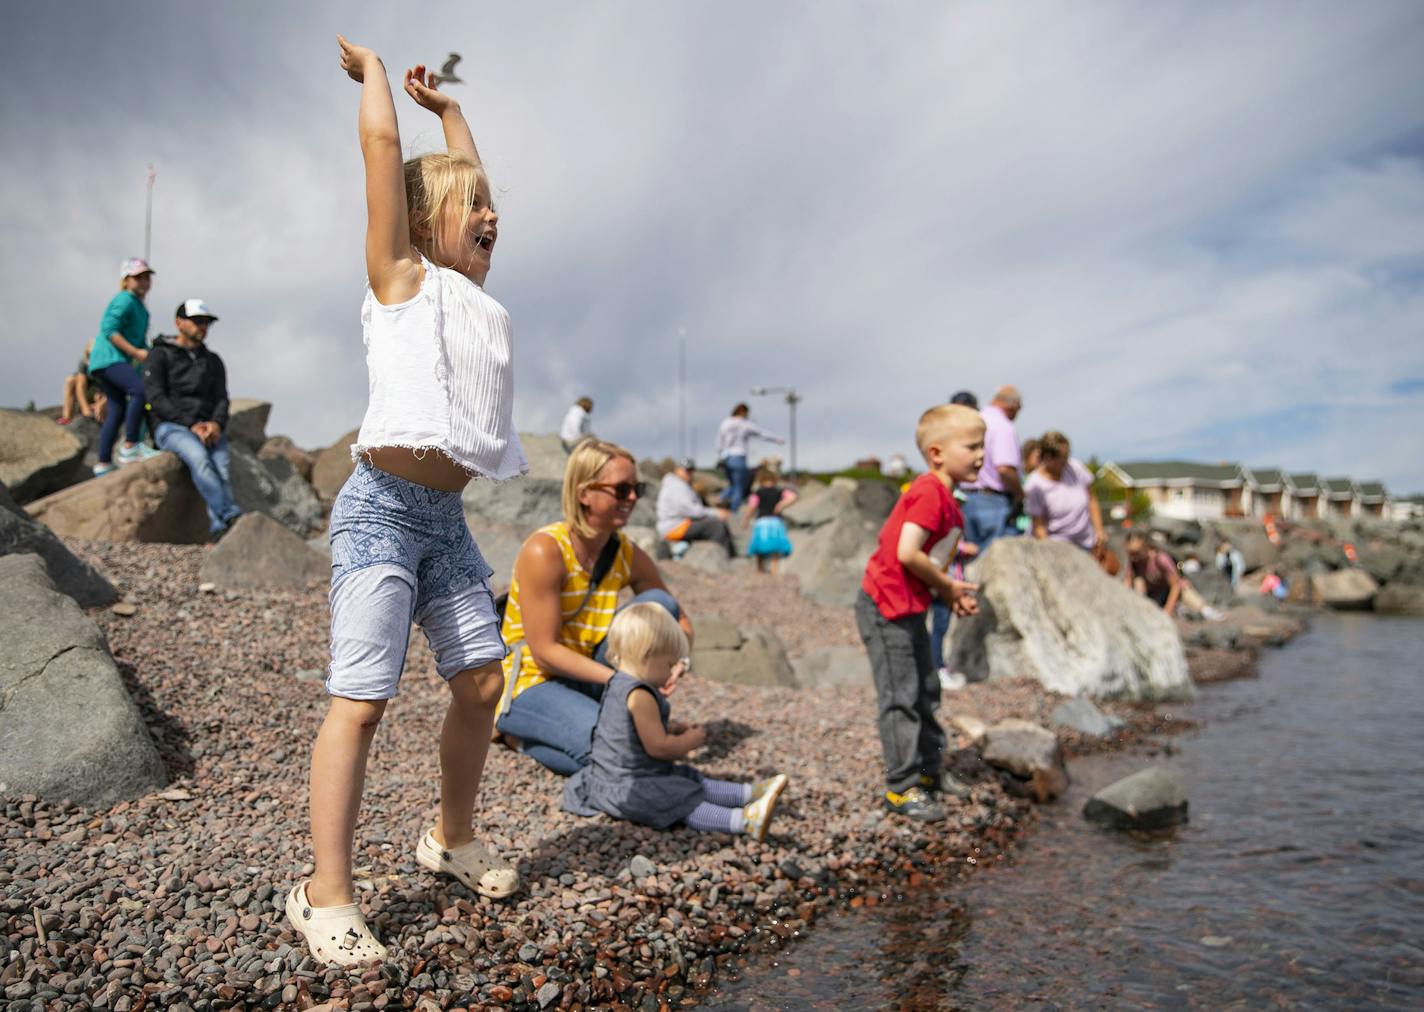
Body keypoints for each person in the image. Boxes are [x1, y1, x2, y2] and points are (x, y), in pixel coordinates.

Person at [289, 41, 527, 968]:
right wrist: (383, 77)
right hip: (382, 511)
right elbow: (381, 155)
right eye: (472, 207)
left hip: (448, 527)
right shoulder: (401, 275)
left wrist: (452, 117)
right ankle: (323, 893)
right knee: (362, 701)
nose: (492, 215)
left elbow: (472, 179)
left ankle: (451, 837)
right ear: (426, 221)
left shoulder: (474, 295)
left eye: (491, 206)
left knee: (479, 683)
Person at [496, 439, 694, 776]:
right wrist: (628, 684)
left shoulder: (624, 552)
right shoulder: (545, 550)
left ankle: (565, 728)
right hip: (530, 680)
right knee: (616, 749)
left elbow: (680, 619)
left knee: (659, 605)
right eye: (621, 489)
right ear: (584, 493)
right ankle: (520, 735)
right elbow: (544, 652)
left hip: (585, 673)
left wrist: (681, 659)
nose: (632, 498)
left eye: (637, 488)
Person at [563, 603, 789, 839]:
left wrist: (672, 728)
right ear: (646, 656)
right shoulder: (639, 695)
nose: (672, 673)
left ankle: (748, 793)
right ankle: (741, 820)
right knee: (679, 797)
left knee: (687, 777)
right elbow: (659, 747)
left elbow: (632, 731)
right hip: (626, 789)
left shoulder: (618, 683)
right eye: (669, 664)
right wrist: (691, 741)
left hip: (614, 777)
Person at [858, 404, 983, 823]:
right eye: (972, 446)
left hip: (909, 606)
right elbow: (907, 553)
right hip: (885, 606)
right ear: (937, 453)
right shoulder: (929, 491)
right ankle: (901, 787)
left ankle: (930, 771)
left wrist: (949, 595)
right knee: (901, 696)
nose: (982, 455)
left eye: (983, 445)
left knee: (926, 690)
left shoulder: (949, 501)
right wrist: (947, 587)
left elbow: (933, 560)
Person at [143, 300, 242, 539]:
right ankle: (231, 516)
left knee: (222, 468)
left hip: (208, 428)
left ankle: (220, 531)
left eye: (206, 323)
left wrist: (216, 424)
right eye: (197, 321)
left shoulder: (213, 361)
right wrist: (190, 424)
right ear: (179, 323)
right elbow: (155, 397)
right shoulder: (159, 355)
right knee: (199, 459)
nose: (203, 327)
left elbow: (222, 399)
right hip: (171, 427)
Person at [88, 258, 163, 476]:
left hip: (108, 362)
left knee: (117, 408)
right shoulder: (125, 300)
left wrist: (147, 354)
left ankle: (103, 462)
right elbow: (110, 329)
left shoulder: (141, 309)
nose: (143, 281)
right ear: (126, 280)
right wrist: (134, 353)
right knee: (140, 391)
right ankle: (130, 445)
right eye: (138, 277)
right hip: (110, 358)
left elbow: (140, 342)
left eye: (146, 277)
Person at [960, 385, 1023, 552]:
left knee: (972, 559)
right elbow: (1005, 469)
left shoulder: (974, 421)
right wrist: (1020, 493)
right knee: (997, 561)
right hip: (992, 503)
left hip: (965, 499)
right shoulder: (1003, 426)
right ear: (1013, 405)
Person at [1024, 431, 1106, 556]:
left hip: (1085, 544)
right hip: (1058, 550)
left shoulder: (1075, 467)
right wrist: (1049, 553)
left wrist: (1099, 530)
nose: (1066, 460)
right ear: (1047, 457)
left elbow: (1091, 498)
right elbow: (1038, 526)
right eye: (1063, 456)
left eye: (1068, 455)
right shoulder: (1034, 485)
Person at [657, 457, 736, 558]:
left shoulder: (679, 484)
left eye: (691, 470)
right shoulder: (676, 486)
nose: (689, 473)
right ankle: (723, 558)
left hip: (680, 524)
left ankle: (724, 556)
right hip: (674, 527)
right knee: (716, 525)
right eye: (686, 470)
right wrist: (716, 512)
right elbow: (692, 511)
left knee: (712, 523)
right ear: (677, 470)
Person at [714, 403, 784, 512]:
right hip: (739, 457)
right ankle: (733, 511)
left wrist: (720, 453)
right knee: (739, 487)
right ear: (743, 412)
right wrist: (777, 439)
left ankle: (720, 499)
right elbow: (762, 433)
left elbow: (719, 439)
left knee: (732, 484)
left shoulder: (726, 422)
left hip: (726, 458)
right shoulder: (745, 424)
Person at [743, 465, 797, 574]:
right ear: (774, 480)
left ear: (760, 480)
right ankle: (774, 570)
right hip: (775, 522)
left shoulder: (757, 493)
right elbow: (793, 497)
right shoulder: (779, 491)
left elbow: (752, 507)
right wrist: (781, 504)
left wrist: (746, 519)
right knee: (775, 548)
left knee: (759, 546)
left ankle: (759, 569)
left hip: (761, 522)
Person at [1124, 531, 1183, 615]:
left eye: (1137, 553)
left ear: (1147, 547)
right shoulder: (1134, 562)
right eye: (1130, 553)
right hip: (1154, 595)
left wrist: (1167, 611)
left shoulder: (1161, 559)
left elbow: (1176, 586)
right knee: (1138, 581)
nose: (1134, 557)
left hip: (1172, 592)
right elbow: (1127, 583)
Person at [58, 340, 105, 425]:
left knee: (98, 396)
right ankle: (67, 417)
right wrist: (85, 409)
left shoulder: (106, 364)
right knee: (70, 380)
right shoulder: (84, 363)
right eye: (90, 355)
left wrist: (101, 402)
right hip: (88, 387)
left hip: (101, 390)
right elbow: (80, 385)